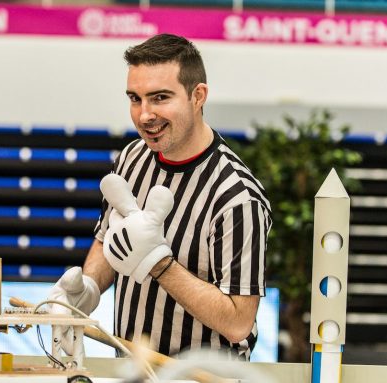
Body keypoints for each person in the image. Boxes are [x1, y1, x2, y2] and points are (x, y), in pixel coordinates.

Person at [49, 33, 272, 360]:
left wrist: (159, 263)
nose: (144, 115)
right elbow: (109, 238)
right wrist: (89, 287)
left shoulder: (237, 196)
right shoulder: (131, 158)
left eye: (160, 97)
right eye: (135, 98)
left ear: (198, 96)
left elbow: (238, 321)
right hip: (132, 371)